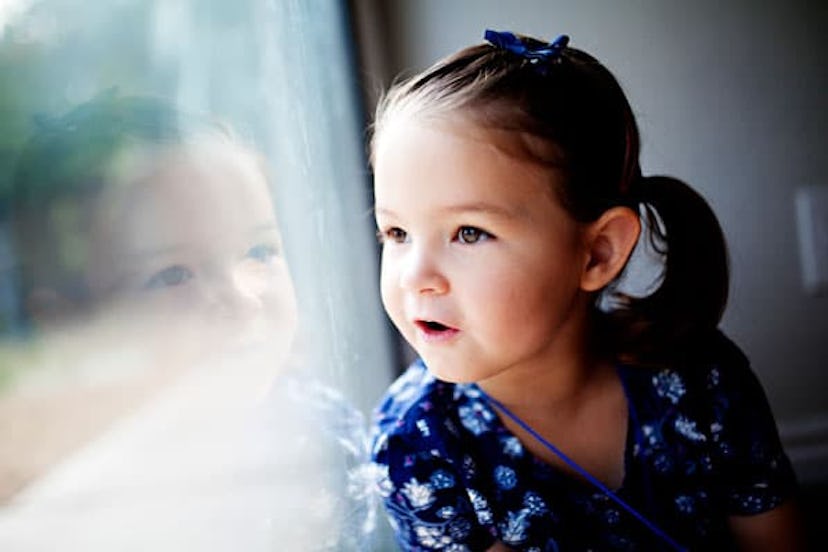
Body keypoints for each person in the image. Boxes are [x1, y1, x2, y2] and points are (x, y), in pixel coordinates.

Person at [369, 30, 804, 550]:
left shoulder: (701, 378)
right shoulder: (418, 445)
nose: (415, 276)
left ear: (597, 253)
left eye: (469, 233)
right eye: (396, 233)